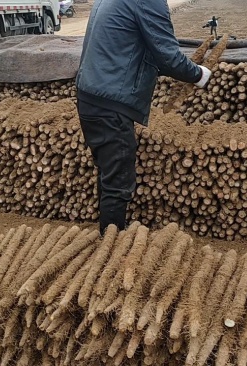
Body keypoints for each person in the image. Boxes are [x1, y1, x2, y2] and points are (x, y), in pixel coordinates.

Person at [76, 0, 211, 235]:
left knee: (109, 173)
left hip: (91, 95)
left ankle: (108, 234)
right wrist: (199, 74)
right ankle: (111, 245)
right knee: (117, 181)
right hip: (110, 101)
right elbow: (167, 55)